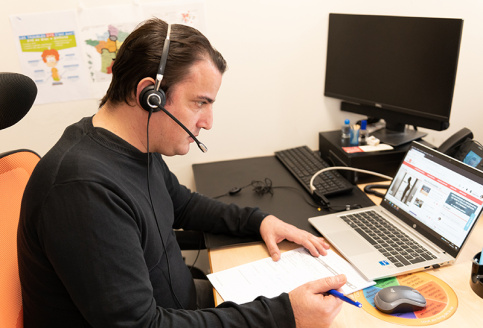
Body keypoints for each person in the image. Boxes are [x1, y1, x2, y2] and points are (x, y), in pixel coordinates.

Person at [18, 18, 346, 328]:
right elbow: (140, 325)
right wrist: (285, 316)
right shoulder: (82, 190)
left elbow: (183, 204)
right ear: (150, 96)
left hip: (179, 308)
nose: (207, 122)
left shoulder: (134, 147)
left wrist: (259, 221)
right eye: (199, 103)